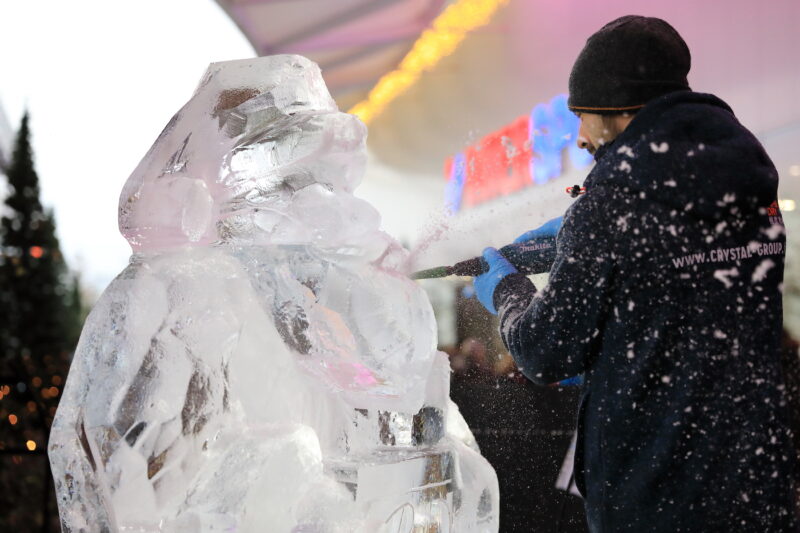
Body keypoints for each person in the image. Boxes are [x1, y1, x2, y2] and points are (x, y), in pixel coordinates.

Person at [473, 15, 798, 532]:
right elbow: (679, 295)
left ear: (619, 111)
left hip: (653, 493)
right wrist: (573, 243)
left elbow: (541, 352)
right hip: (753, 481)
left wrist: (507, 289)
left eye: (582, 115)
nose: (580, 136)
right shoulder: (748, 183)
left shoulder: (610, 205)